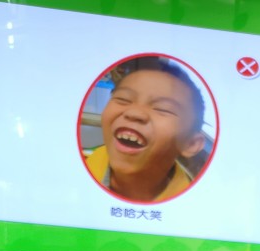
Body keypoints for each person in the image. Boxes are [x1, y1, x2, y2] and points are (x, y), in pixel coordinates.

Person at [84, 57, 208, 202]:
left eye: (163, 109)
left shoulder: (190, 205)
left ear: (191, 144)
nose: (134, 112)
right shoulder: (98, 156)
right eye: (123, 99)